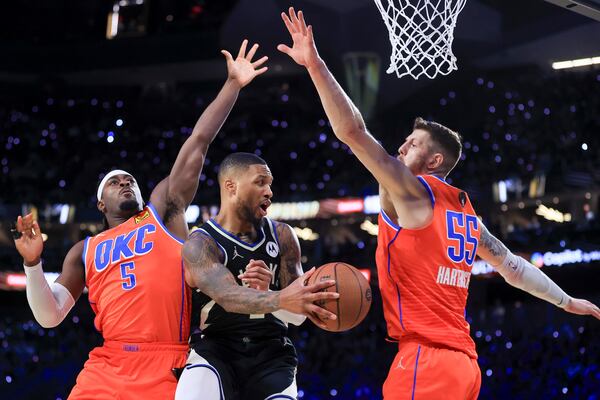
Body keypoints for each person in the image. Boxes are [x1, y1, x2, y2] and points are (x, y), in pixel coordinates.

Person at [277, 8, 600, 399]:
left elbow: (353, 132)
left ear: (434, 162)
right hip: (464, 365)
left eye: (412, 144)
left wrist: (315, 64)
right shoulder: (466, 213)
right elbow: (512, 267)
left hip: (425, 362)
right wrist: (565, 300)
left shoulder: (413, 192)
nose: (400, 146)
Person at [12, 40, 269, 399]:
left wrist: (231, 85)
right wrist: (33, 264)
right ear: (101, 205)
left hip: (168, 359)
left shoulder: (163, 211)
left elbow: (198, 142)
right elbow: (49, 316)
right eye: (114, 183)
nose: (124, 183)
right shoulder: (83, 250)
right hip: (108, 362)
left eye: (129, 179)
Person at [176, 152, 338, 400]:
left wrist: (270, 294)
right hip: (217, 349)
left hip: (272, 354)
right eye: (260, 182)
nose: (269, 191)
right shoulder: (201, 243)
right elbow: (228, 296)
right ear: (231, 187)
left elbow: (297, 317)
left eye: (270, 183)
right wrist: (277, 298)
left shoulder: (283, 236)